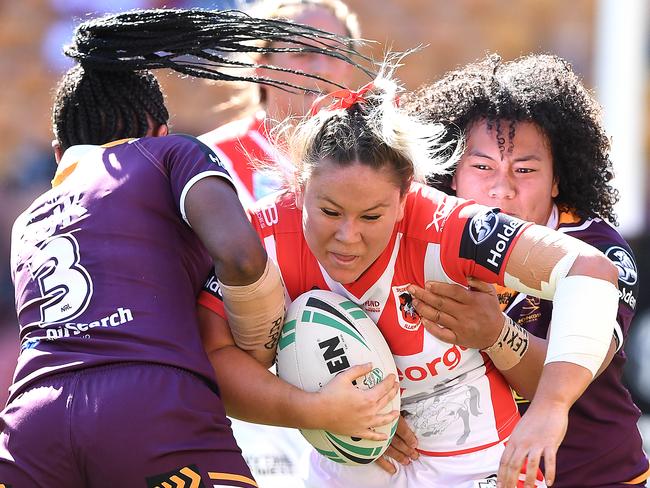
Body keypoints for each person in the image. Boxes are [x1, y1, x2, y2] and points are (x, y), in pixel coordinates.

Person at [0, 8, 388, 487]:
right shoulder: (174, 152)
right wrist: (261, 337)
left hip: (32, 417)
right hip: (151, 402)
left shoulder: (28, 219)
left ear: (59, 154)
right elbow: (241, 257)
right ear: (159, 131)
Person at [196, 66, 621, 488]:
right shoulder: (263, 235)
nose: (347, 236)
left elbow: (590, 269)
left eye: (371, 216)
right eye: (328, 212)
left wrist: (548, 411)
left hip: (478, 466)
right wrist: (317, 411)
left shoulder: (448, 225)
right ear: (298, 187)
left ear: (406, 197)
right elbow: (215, 354)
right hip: (352, 468)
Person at [402, 53, 649, 487]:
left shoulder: (600, 252)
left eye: (525, 170)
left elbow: (568, 371)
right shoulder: (419, 234)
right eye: (482, 167)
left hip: (590, 474)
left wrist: (495, 333)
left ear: (558, 179)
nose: (502, 188)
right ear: (451, 175)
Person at [199, 0, 361, 205]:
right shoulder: (210, 158)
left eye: (334, 53)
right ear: (262, 68)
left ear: (349, 69)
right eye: (302, 53)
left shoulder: (377, 159)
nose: (322, 69)